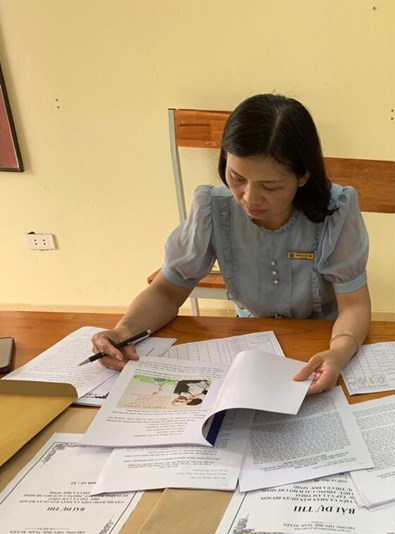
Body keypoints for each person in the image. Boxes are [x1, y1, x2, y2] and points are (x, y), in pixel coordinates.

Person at [91, 94, 371, 394]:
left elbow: (354, 304)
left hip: (322, 341)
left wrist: (339, 352)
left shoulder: (336, 210)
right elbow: (167, 292)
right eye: (237, 178)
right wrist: (124, 331)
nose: (249, 197)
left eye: (270, 186)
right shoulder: (213, 208)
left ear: (303, 175)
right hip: (249, 345)